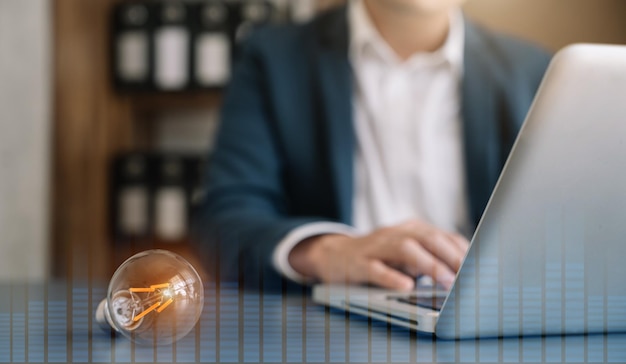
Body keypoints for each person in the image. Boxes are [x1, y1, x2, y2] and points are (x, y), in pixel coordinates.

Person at [194, 0, 551, 291]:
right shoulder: (273, 58)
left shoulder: (535, 71)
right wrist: (324, 252)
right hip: (326, 327)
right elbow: (224, 222)